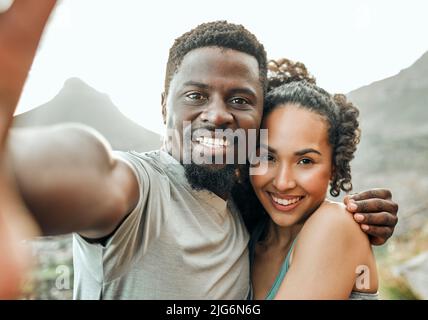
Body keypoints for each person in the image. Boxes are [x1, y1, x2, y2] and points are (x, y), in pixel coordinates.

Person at [0, 1, 398, 299]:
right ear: (163, 105)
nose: (218, 116)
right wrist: (12, 174)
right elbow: (91, 170)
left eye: (240, 100)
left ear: (258, 118)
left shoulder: (243, 216)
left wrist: (355, 231)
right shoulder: (140, 191)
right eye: (195, 95)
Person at [246, 58, 378, 299]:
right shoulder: (248, 238)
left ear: (334, 167)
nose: (283, 182)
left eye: (305, 161)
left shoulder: (335, 225)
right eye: (267, 157)